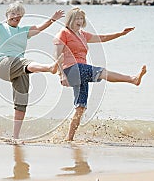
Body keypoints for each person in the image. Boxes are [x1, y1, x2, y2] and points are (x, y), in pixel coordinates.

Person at [53, 7, 147, 141]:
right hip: (71, 69)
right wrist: (61, 75)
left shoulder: (82, 34)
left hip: (82, 70)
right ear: (71, 20)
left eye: (81, 18)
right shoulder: (63, 33)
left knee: (80, 107)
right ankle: (132, 79)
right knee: (102, 72)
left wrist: (120, 34)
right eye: (77, 18)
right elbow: (57, 55)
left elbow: (102, 38)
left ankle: (69, 139)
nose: (79, 21)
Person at [0, 2, 64, 140]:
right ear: (7, 15)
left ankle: (15, 137)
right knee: (24, 62)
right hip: (2, 64)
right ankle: (49, 67)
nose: (16, 17)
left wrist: (53, 18)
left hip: (20, 68)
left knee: (21, 102)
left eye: (19, 15)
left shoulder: (24, 31)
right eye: (13, 14)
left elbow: (40, 28)